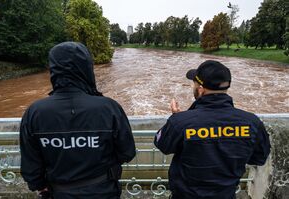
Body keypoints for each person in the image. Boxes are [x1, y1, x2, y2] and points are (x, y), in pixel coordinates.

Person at [20, 42, 136, 199]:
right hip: (103, 191)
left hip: (58, 192)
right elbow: (127, 152)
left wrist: (39, 185)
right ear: (87, 68)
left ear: (53, 70)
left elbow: (30, 166)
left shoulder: (35, 112)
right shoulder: (109, 108)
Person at [154, 60, 271, 199]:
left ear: (201, 89)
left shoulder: (181, 122)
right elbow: (259, 158)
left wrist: (177, 119)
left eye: (194, 83)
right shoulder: (252, 123)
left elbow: (162, 144)